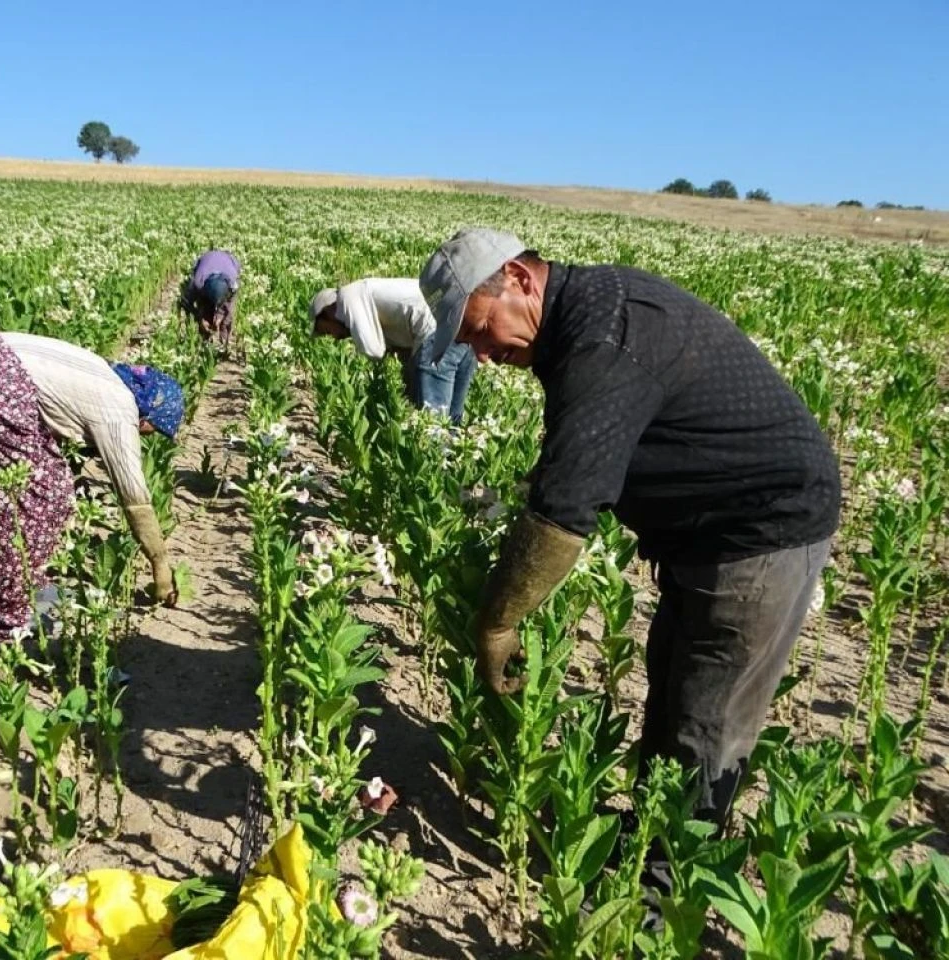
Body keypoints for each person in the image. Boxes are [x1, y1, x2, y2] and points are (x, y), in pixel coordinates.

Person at [419, 227, 840, 836]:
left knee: (708, 716)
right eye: (467, 342)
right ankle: (648, 840)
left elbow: (567, 508)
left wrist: (497, 622)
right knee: (673, 686)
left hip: (761, 530)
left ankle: (671, 874)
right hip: (708, 535)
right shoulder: (583, 315)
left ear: (518, 278)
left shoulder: (603, 335)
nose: (481, 354)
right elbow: (593, 444)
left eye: (480, 328)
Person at [0, 331, 184, 638]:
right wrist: (160, 564)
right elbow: (135, 499)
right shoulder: (119, 409)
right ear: (148, 416)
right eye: (153, 430)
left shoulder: (106, 376)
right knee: (41, 495)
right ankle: (13, 607)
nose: (147, 435)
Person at [309, 278, 478, 425]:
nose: (333, 337)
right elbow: (402, 345)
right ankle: (451, 452)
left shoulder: (348, 296)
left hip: (436, 331)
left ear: (326, 311)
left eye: (326, 330)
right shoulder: (368, 297)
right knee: (452, 419)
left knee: (433, 419)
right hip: (461, 324)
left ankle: (436, 452)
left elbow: (373, 350)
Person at [181, 249, 241, 350]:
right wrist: (200, 317)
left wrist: (220, 317)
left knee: (227, 317)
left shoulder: (232, 284)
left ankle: (224, 343)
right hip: (206, 261)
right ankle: (205, 339)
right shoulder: (198, 282)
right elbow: (188, 303)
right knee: (205, 308)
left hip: (228, 260)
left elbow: (228, 305)